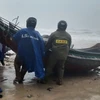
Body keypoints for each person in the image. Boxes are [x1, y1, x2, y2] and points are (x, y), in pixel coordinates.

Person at [12, 17, 45, 83]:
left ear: (27, 23)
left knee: (16, 64)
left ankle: (18, 77)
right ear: (35, 25)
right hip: (30, 55)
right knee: (25, 66)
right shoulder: (37, 34)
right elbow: (42, 44)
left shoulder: (22, 31)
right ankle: (21, 77)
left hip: (21, 53)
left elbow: (14, 38)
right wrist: (43, 54)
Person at [45, 20, 72, 85]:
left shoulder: (54, 34)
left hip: (54, 54)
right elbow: (69, 45)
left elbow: (48, 45)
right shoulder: (68, 36)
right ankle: (60, 81)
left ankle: (44, 80)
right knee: (61, 67)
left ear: (58, 26)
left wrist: (44, 51)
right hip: (64, 55)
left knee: (49, 67)